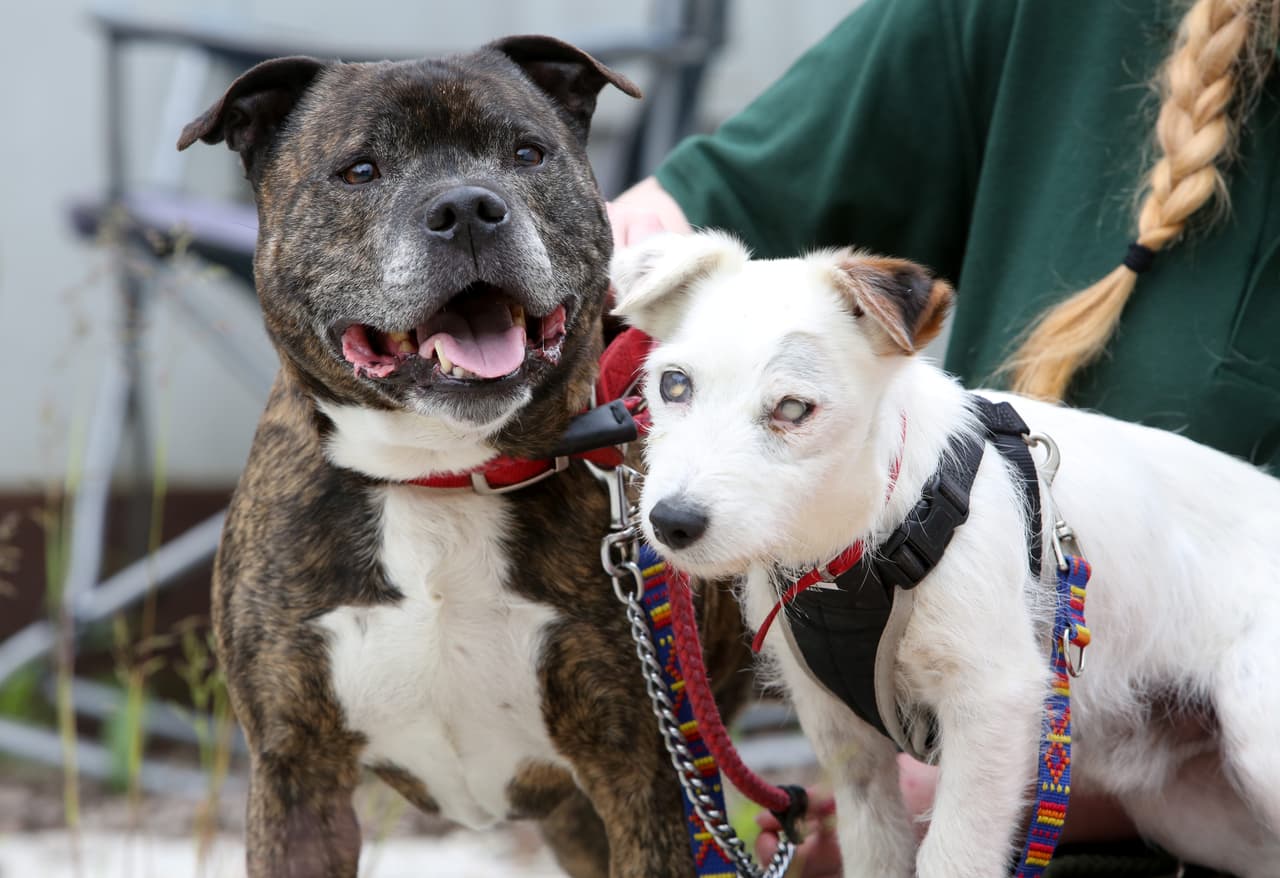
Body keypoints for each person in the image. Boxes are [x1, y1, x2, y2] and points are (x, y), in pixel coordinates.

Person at [608, 0, 1280, 874]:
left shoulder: (943, 492)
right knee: (1210, 824)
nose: (687, 491)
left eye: (791, 412)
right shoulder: (1009, 21)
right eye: (676, 388)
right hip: (1134, 776)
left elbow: (998, 702)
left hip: (1242, 601)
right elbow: (857, 765)